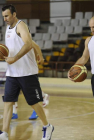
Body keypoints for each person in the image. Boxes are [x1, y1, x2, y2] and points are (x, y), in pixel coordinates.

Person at [0, 4, 54, 140]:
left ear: (14, 14)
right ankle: (4, 133)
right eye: (3, 17)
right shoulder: (7, 28)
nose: (5, 19)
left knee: (34, 103)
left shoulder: (21, 25)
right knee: (8, 102)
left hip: (27, 73)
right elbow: (31, 43)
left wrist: (15, 58)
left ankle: (47, 126)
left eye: (7, 16)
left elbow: (29, 43)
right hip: (12, 73)